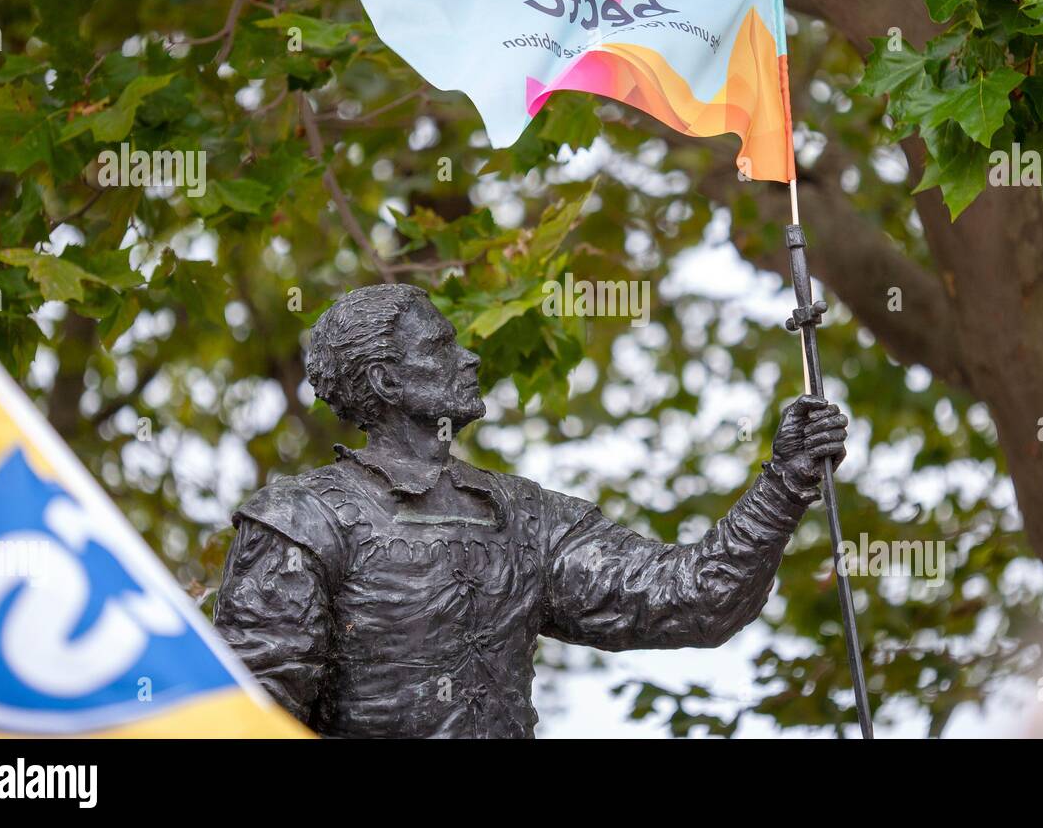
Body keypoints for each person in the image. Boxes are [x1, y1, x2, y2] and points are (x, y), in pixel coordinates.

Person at [214, 283, 847, 737]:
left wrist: (785, 483)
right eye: (440, 347)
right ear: (385, 382)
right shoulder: (298, 522)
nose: (470, 358)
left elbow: (696, 598)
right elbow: (246, 719)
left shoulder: (526, 518)